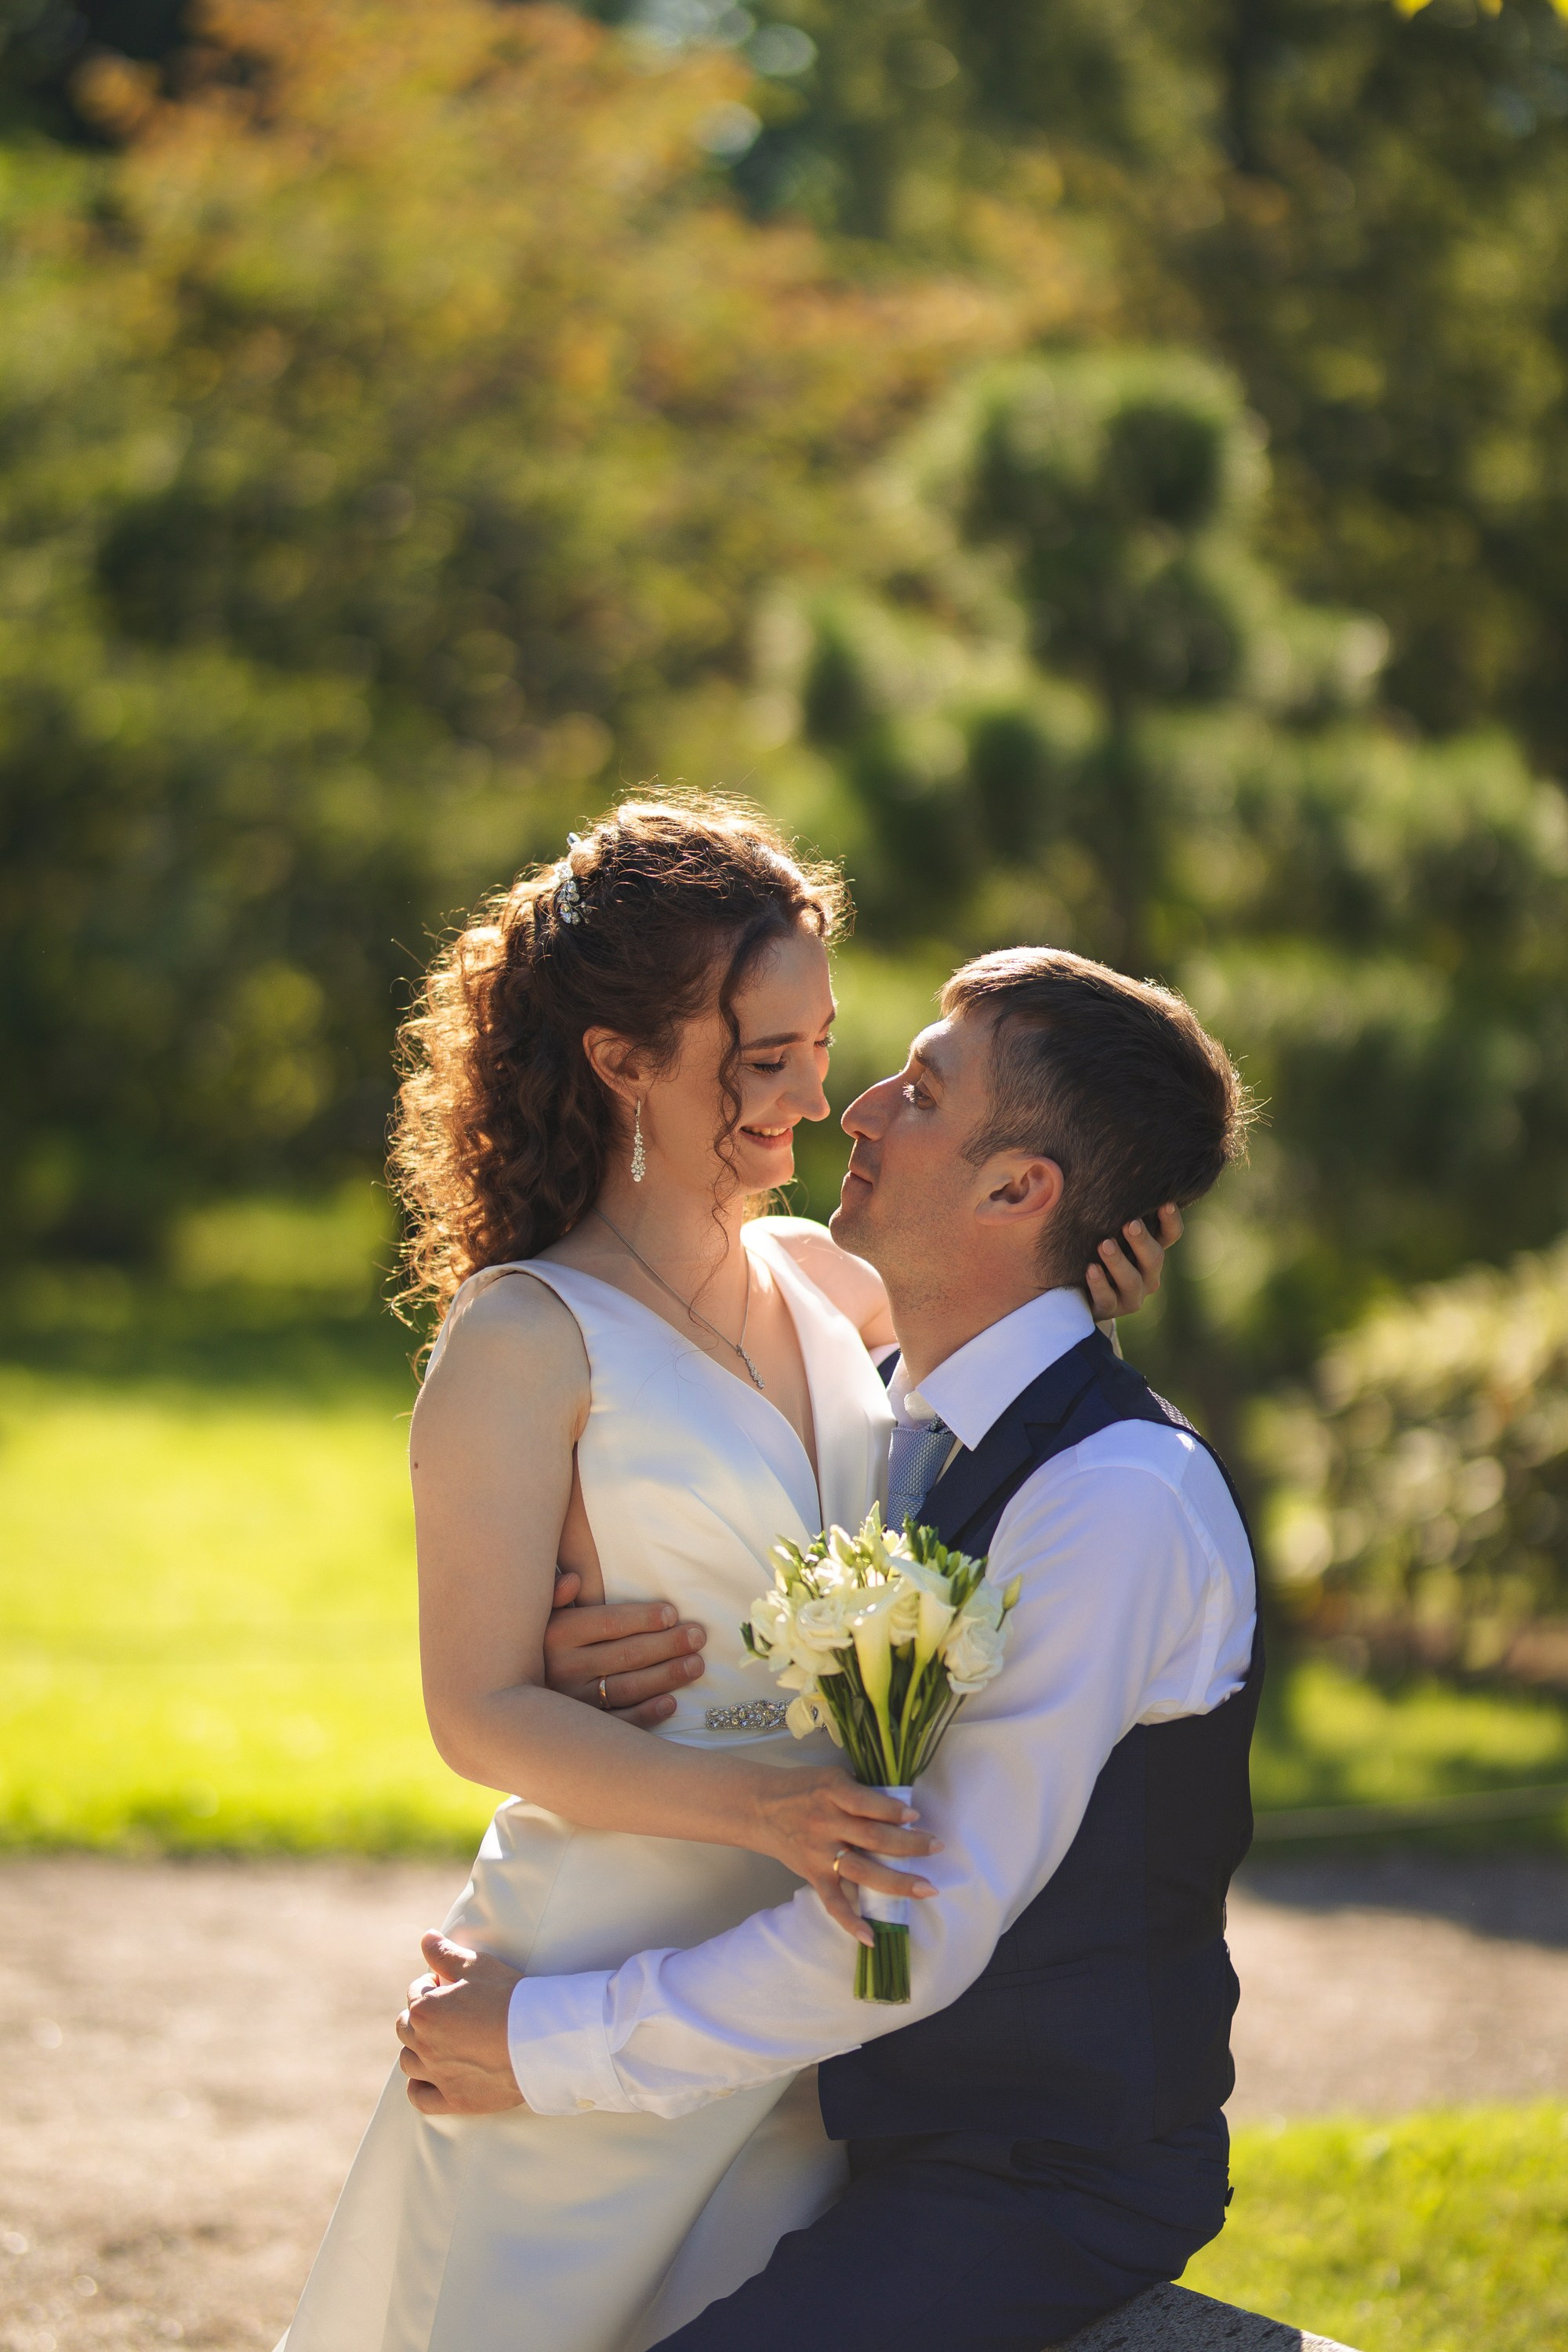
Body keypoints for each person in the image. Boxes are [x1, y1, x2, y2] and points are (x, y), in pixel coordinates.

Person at [277, 797, 1163, 2352]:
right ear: (623, 1061)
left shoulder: (835, 1283)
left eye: (823, 1046)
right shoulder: (522, 1337)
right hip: (599, 1953)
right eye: (764, 1063)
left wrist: (1084, 1295)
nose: (817, 1104)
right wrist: (751, 1802)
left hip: (789, 1996)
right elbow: (477, 1712)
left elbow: (995, 1457)